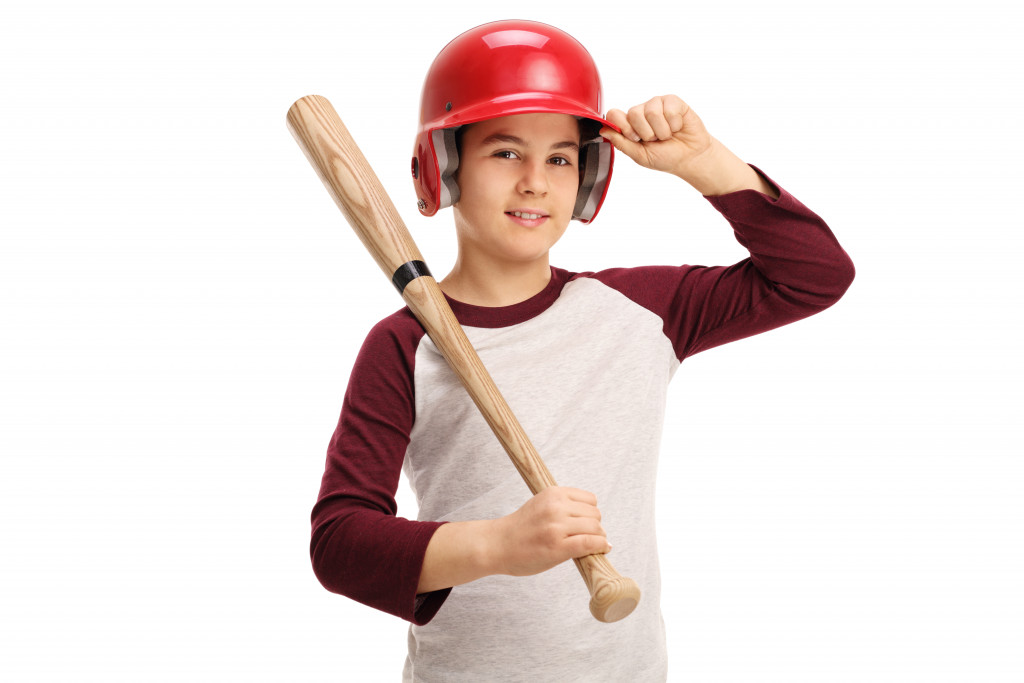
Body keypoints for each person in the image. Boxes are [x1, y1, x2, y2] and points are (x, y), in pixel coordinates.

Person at [310, 19, 854, 682]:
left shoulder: (642, 311)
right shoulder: (404, 345)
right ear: (444, 167)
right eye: (505, 152)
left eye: (562, 157)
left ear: (590, 175)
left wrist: (705, 163)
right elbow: (339, 542)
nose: (536, 181)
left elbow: (815, 274)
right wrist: (497, 543)